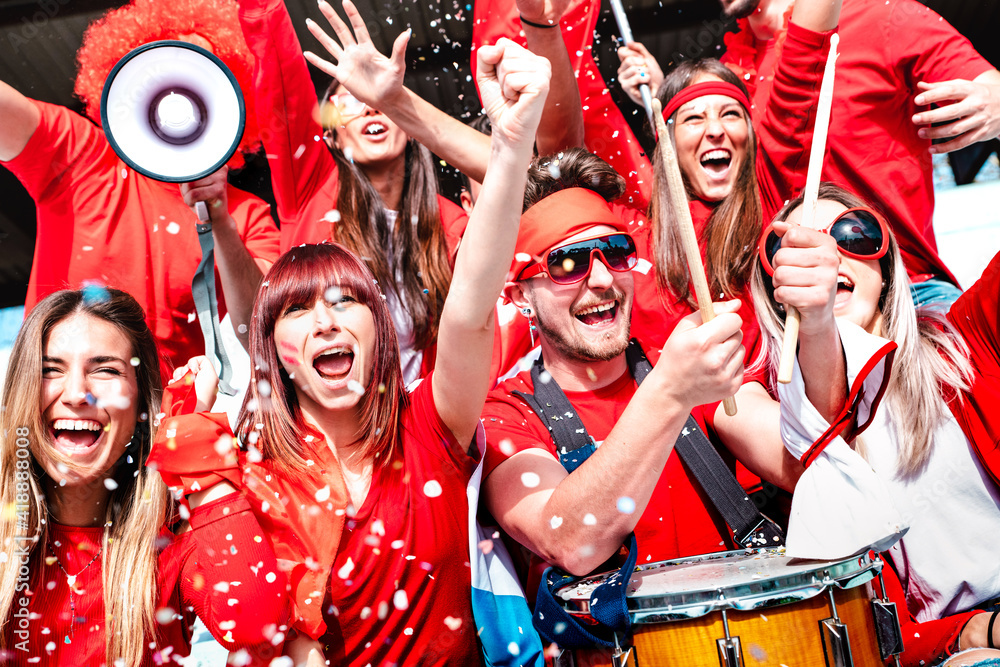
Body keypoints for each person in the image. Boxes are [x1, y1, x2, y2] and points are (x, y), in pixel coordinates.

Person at [154, 39, 550, 665]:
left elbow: (471, 305)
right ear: (273, 347)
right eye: (299, 309)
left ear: (380, 331)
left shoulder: (431, 428)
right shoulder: (253, 477)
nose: (325, 323)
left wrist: (511, 144)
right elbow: (252, 632)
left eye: (346, 302)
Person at [481, 167, 802, 626]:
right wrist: (669, 392)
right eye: (567, 262)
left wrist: (818, 318)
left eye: (615, 252)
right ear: (520, 295)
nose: (600, 279)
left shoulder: (690, 367)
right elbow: (570, 540)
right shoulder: (504, 416)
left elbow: (801, 466)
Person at [751, 182, 1000, 665]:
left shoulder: (967, 344)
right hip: (953, 649)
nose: (826, 255)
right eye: (795, 249)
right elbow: (866, 634)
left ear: (885, 271)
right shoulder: (783, 424)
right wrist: (973, 632)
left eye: (853, 235)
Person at [0, 288, 288, 665]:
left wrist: (189, 437)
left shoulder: (173, 541)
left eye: (105, 369)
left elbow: (258, 632)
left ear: (140, 406)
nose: (76, 393)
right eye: (50, 369)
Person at [0, 0, 280, 378]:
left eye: (202, 73)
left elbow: (263, 334)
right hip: (55, 411)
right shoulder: (80, 155)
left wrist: (220, 221)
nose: (182, 87)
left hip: (171, 427)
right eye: (170, 67)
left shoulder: (246, 214)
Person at [718, 0, 1000, 307]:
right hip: (794, 308)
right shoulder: (727, 74)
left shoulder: (884, 15)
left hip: (906, 291)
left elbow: (987, 85)